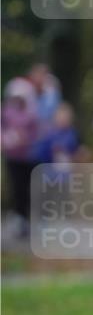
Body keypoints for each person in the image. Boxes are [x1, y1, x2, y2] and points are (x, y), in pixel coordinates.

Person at [1, 77, 42, 238]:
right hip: (13, 157)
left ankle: (32, 220)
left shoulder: (32, 113)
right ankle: (20, 220)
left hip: (30, 156)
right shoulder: (5, 111)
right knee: (17, 188)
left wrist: (27, 138)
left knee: (30, 189)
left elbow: (37, 134)